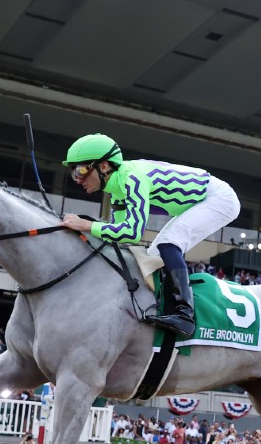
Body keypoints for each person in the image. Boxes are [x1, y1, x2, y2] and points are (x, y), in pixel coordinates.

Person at [60, 133, 241, 338]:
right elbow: (121, 237)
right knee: (153, 255)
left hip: (218, 198)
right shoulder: (117, 190)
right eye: (74, 173)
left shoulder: (132, 179)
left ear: (103, 166)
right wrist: (85, 234)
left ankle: (185, 315)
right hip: (200, 200)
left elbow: (133, 232)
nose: (78, 179)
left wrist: (86, 225)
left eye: (81, 170)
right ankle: (164, 307)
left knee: (169, 244)